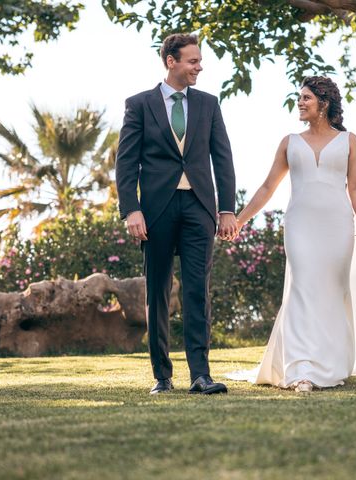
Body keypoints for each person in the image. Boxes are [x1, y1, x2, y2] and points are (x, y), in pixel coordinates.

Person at [226, 76, 356, 392]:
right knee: (302, 289)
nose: (300, 102)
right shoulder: (289, 142)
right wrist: (239, 221)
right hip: (299, 226)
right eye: (300, 97)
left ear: (324, 104)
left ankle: (330, 364)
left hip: (337, 226)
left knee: (333, 291)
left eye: (306, 97)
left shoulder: (349, 141)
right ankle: (301, 369)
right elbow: (267, 187)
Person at [116, 33, 237, 395]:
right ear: (172, 61)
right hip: (155, 210)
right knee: (157, 291)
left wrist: (227, 208)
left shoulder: (209, 104)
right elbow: (126, 163)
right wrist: (131, 209)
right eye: (193, 61)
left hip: (199, 207)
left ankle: (200, 375)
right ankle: (162, 377)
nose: (199, 67)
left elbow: (223, 158)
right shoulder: (139, 104)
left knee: (197, 290)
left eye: (199, 61)